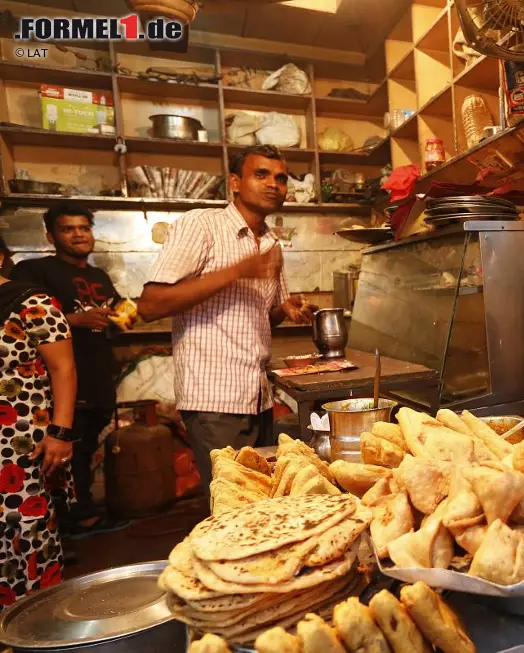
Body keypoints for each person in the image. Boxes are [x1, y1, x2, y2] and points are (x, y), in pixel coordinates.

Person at [138, 145, 313, 497]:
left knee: (265, 498)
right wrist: (235, 272)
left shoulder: (269, 241)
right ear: (235, 182)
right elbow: (150, 304)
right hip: (213, 400)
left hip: (258, 396)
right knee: (233, 504)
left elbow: (263, 318)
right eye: (260, 174)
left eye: (280, 178)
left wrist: (286, 308)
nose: (274, 185)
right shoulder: (201, 225)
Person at [11, 203, 128, 540]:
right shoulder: (33, 271)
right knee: (57, 455)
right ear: (50, 235)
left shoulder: (99, 276)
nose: (78, 234)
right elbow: (22, 319)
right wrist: (76, 320)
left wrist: (128, 315)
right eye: (68, 229)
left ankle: (82, 514)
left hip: (96, 376)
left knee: (86, 448)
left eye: (84, 228)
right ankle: (65, 524)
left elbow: (123, 316)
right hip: (55, 383)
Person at [0, 235, 77, 610]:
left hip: (18, 440)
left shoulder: (31, 302)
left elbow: (64, 369)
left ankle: (32, 617)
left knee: (24, 528)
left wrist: (61, 432)